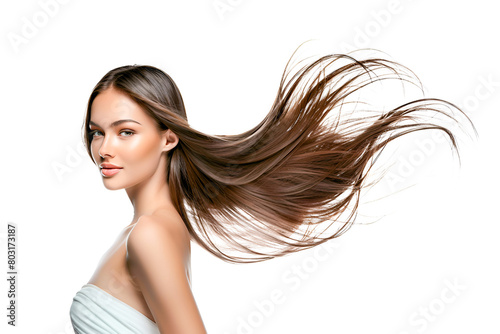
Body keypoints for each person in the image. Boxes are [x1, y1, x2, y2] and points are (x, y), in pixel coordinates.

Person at [69, 44, 476, 333]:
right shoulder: (154, 228)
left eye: (126, 132)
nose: (104, 149)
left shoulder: (151, 234)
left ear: (168, 138)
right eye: (96, 132)